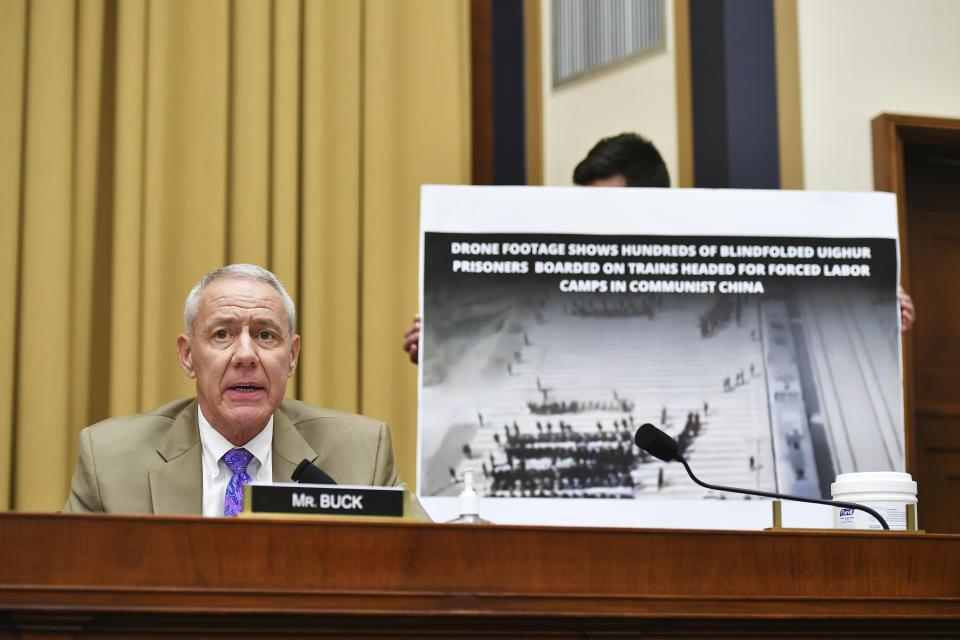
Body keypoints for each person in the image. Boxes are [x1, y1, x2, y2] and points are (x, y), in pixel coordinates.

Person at [401, 132, 914, 362]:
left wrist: (873, 312)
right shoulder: (551, 269)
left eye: (607, 208)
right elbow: (521, 337)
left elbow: (784, 306)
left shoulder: (720, 264)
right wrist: (447, 341)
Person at [63, 264, 430, 521]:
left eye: (265, 335)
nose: (245, 355)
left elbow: (432, 565)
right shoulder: (110, 459)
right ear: (188, 356)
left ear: (292, 356)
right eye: (222, 334)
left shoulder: (360, 455)